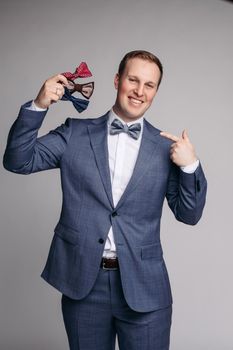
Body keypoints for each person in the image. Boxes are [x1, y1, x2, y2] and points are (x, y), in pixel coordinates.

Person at [3, 50, 207, 350]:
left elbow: (189, 215)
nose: (139, 91)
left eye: (149, 85)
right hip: (83, 284)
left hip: (145, 288)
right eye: (133, 80)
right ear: (117, 80)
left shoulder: (166, 149)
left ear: (156, 91)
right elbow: (18, 161)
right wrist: (38, 105)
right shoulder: (75, 133)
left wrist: (190, 166)